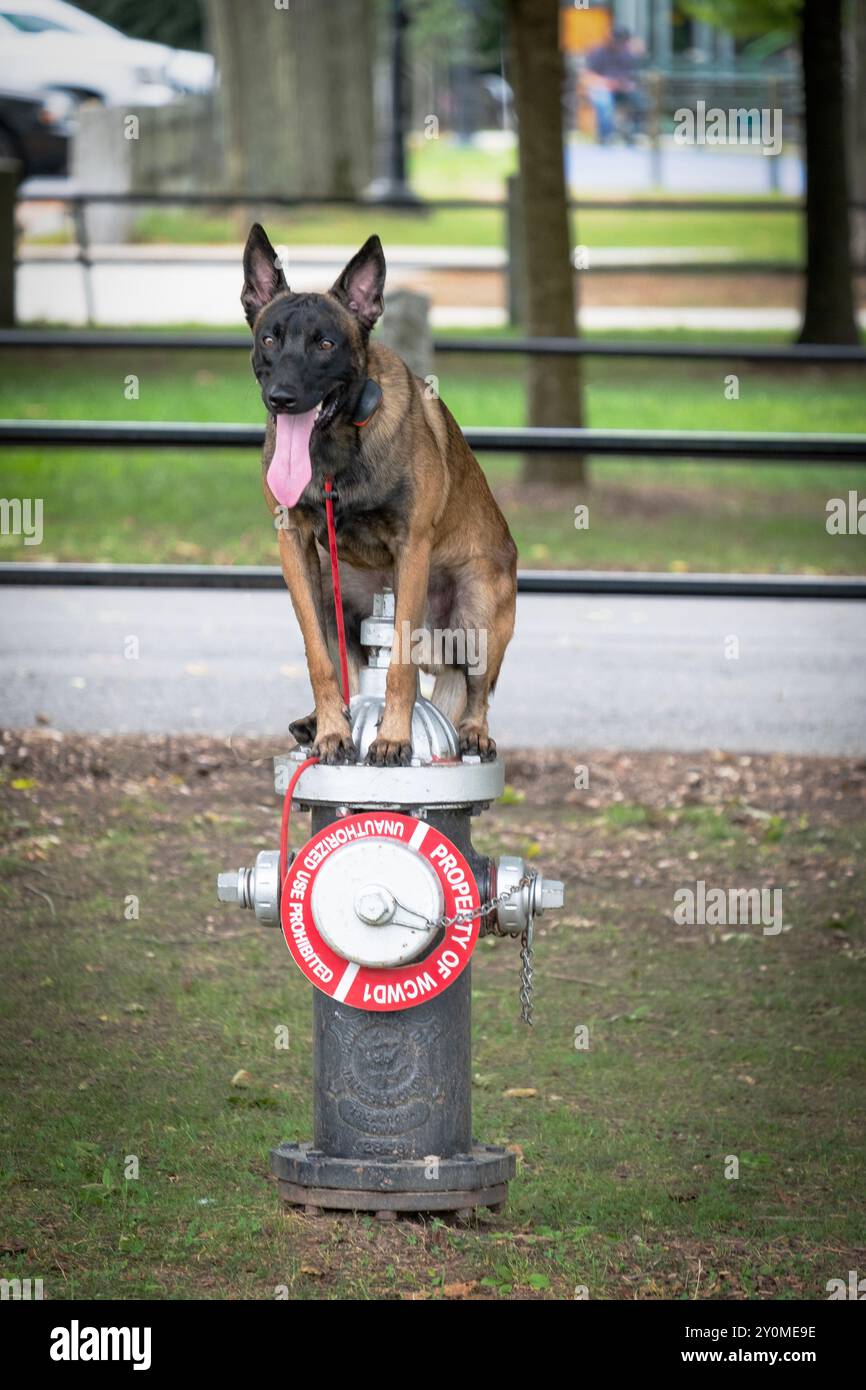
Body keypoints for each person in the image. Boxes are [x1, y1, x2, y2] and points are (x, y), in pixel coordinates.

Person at [584, 25, 646, 146]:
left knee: (641, 101)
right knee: (604, 103)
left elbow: (633, 76)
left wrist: (626, 84)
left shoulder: (628, 53)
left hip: (623, 89)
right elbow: (588, 76)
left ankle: (632, 132)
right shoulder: (598, 52)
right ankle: (606, 136)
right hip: (603, 88)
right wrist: (606, 83)